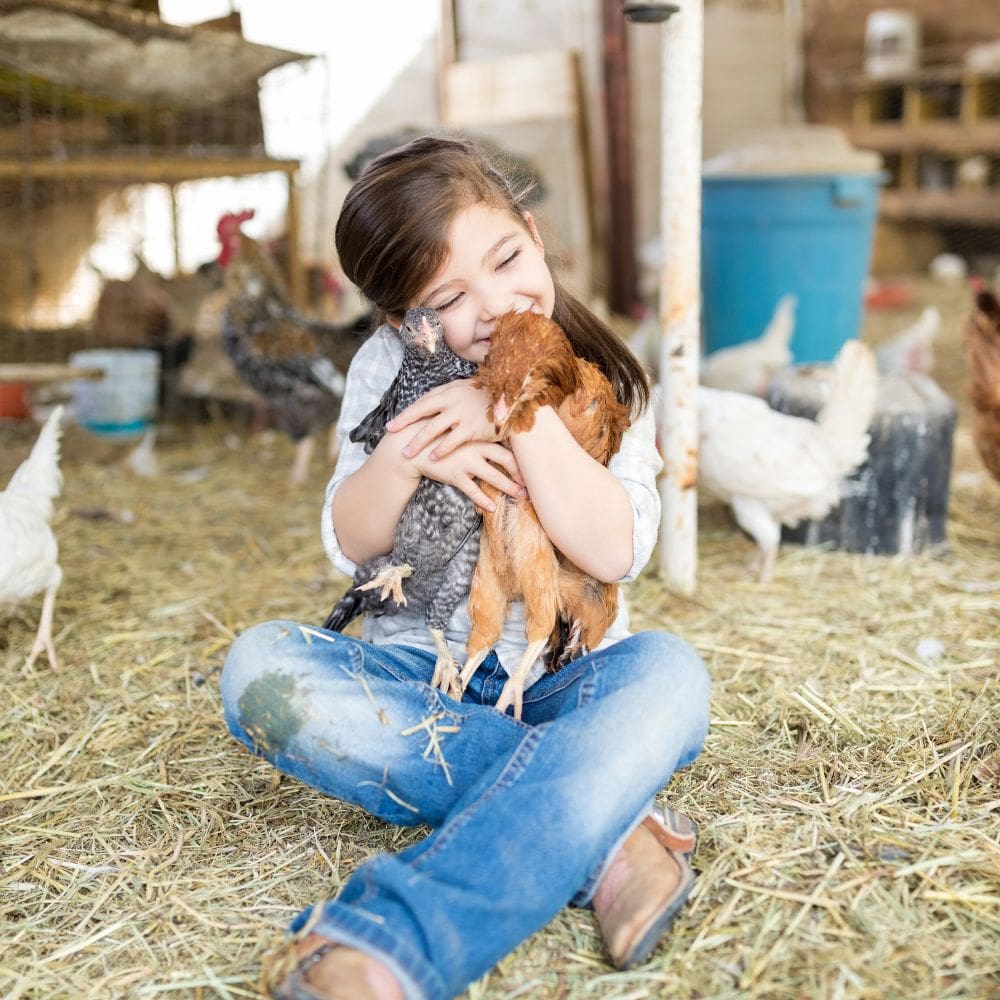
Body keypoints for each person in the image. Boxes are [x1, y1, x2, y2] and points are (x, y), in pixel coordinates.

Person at [220, 133, 711, 1000]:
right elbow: (351, 539)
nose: (491, 305)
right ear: (401, 319)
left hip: (564, 679)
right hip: (422, 676)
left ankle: (395, 942)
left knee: (671, 676)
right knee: (260, 669)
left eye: (507, 258)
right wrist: (405, 454)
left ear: (531, 228)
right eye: (449, 296)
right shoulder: (386, 368)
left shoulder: (602, 374)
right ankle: (606, 822)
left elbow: (615, 550)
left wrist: (517, 413)